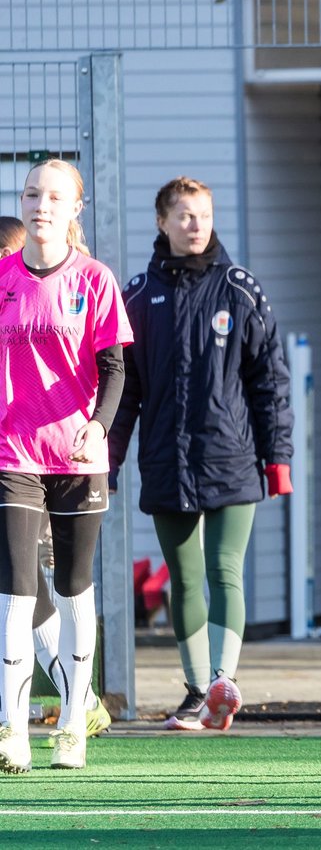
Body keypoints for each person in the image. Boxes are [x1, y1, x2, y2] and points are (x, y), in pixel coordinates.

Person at [107, 177, 293, 732]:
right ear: (161, 222)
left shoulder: (240, 289)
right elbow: (123, 390)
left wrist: (276, 456)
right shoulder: (137, 296)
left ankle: (222, 686)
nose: (196, 225)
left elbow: (270, 381)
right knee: (184, 580)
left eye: (204, 215)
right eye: (184, 216)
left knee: (224, 570)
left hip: (232, 459)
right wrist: (108, 461)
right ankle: (195, 696)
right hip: (166, 461)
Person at [0, 161, 133, 772]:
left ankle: (75, 721)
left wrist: (97, 426)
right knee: (15, 593)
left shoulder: (95, 280)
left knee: (72, 587)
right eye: (32, 194)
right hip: (14, 454)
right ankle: (13, 733)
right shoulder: (2, 277)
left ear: (75, 209)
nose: (40, 205)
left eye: (54, 197)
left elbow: (114, 371)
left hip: (78, 456)